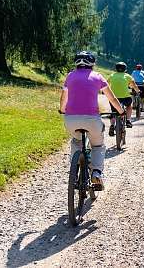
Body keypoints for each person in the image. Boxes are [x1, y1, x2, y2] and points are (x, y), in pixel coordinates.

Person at [59, 51, 124, 190]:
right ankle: (96, 172)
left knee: (76, 141)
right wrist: (121, 111)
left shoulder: (70, 76)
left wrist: (63, 110)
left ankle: (74, 171)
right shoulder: (98, 77)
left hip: (71, 120)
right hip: (92, 120)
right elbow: (111, 99)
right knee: (98, 145)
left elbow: (64, 97)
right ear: (92, 64)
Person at [107, 62, 140, 136]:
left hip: (114, 98)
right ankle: (128, 120)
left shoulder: (112, 75)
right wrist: (138, 91)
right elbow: (134, 85)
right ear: (125, 69)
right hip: (125, 97)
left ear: (116, 68)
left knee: (113, 111)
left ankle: (112, 125)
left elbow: (106, 84)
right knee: (129, 106)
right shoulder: (127, 76)